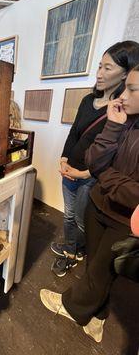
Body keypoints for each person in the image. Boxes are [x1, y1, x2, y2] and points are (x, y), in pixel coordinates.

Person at [40, 64, 139, 342]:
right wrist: (112, 127)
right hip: (99, 205)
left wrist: (101, 173)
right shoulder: (122, 120)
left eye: (132, 88)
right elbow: (94, 157)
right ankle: (99, 315)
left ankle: (73, 307)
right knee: (97, 266)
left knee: (101, 269)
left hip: (125, 220)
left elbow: (103, 172)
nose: (125, 95)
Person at [51, 41, 139, 277]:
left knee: (81, 220)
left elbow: (113, 155)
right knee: (68, 216)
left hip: (90, 177)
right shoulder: (87, 101)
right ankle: (71, 250)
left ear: (126, 72)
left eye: (107, 68)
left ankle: (77, 252)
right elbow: (74, 133)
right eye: (100, 66)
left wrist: (84, 173)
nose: (99, 74)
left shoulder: (123, 112)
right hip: (69, 169)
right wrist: (63, 159)